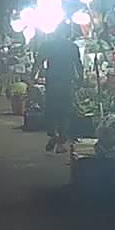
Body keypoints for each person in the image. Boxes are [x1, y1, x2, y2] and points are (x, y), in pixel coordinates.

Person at [35, 25, 83, 153]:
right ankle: (61, 142)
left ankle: (53, 135)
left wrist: (32, 77)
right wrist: (81, 80)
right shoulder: (72, 46)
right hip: (67, 82)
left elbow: (38, 62)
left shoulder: (47, 45)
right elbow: (78, 65)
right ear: (67, 33)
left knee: (51, 110)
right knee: (65, 112)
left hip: (52, 82)